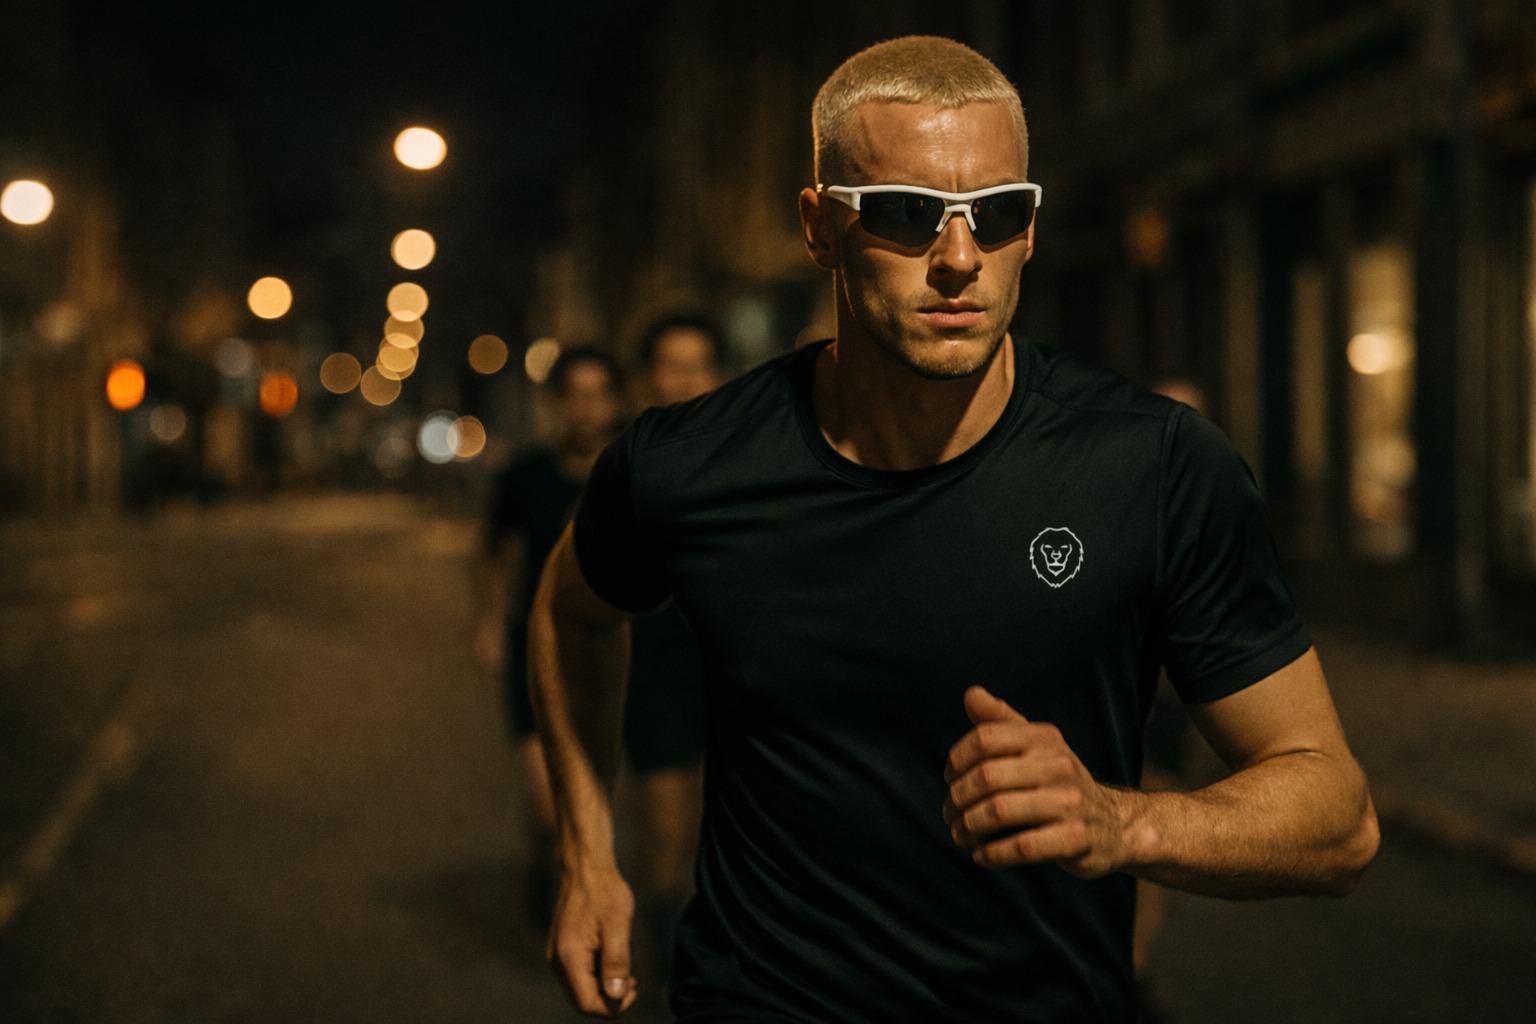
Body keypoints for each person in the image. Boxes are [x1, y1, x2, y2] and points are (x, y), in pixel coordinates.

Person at [528, 36, 1380, 1022]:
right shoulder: (689, 462)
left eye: (999, 214)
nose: (960, 260)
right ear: (819, 227)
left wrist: (1123, 821)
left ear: (1030, 226)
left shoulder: (1151, 466)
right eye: (905, 215)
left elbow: (1339, 817)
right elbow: (569, 612)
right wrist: (587, 855)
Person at [476, 346, 626, 926]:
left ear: (614, 400)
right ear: (556, 403)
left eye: (598, 395)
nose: (586, 409)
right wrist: (488, 617)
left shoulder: (633, 466)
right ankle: (551, 868)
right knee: (547, 803)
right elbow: (490, 551)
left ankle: (601, 887)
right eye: (573, 396)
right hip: (539, 647)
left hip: (620, 644)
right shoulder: (526, 475)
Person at [623, 315, 727, 981]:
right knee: (665, 842)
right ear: (646, 378)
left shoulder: (754, 457)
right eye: (671, 363)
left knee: (719, 836)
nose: (686, 378)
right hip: (655, 672)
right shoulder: (628, 466)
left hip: (732, 674)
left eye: (699, 363)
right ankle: (668, 956)